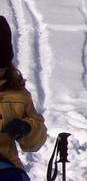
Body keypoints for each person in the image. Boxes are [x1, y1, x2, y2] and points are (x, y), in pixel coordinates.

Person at [0, 16, 47, 181]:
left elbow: (36, 142)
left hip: (6, 170)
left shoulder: (18, 96)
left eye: (2, 66)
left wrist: (27, 129)